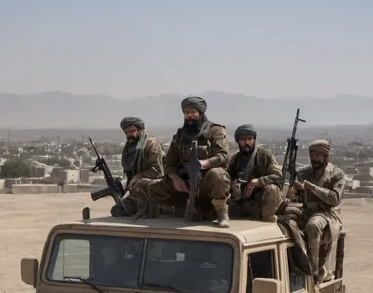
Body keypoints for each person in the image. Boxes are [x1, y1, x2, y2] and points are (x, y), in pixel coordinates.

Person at [146, 96, 231, 227]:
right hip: (185, 183)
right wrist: (175, 179)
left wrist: (203, 164)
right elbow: (169, 164)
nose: (189, 116)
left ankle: (221, 213)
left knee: (218, 175)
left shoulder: (215, 131)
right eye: (186, 113)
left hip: (207, 182)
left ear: (201, 113)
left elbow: (223, 156)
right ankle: (180, 209)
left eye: (193, 112)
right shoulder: (180, 136)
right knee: (153, 188)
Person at [291, 139, 345, 282]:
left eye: (317, 156)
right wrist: (294, 188)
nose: (314, 159)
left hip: (327, 214)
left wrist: (314, 188)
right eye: (312, 155)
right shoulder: (304, 173)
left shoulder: (336, 174)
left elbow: (334, 198)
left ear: (325, 156)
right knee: (283, 221)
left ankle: (313, 269)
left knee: (313, 225)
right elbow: (295, 196)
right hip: (305, 210)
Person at [227, 124, 284, 222]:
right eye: (243, 139)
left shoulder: (265, 156)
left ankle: (267, 216)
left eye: (250, 139)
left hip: (261, 201)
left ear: (254, 140)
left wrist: (258, 181)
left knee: (273, 189)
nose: (247, 142)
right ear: (238, 141)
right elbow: (226, 180)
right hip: (241, 203)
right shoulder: (234, 160)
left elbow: (278, 176)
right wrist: (232, 186)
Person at [110, 117, 164, 217]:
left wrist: (136, 177)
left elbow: (157, 172)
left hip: (151, 186)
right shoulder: (129, 147)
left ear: (140, 130)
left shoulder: (151, 145)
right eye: (126, 132)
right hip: (135, 187)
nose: (129, 135)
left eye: (132, 131)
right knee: (117, 210)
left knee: (126, 209)